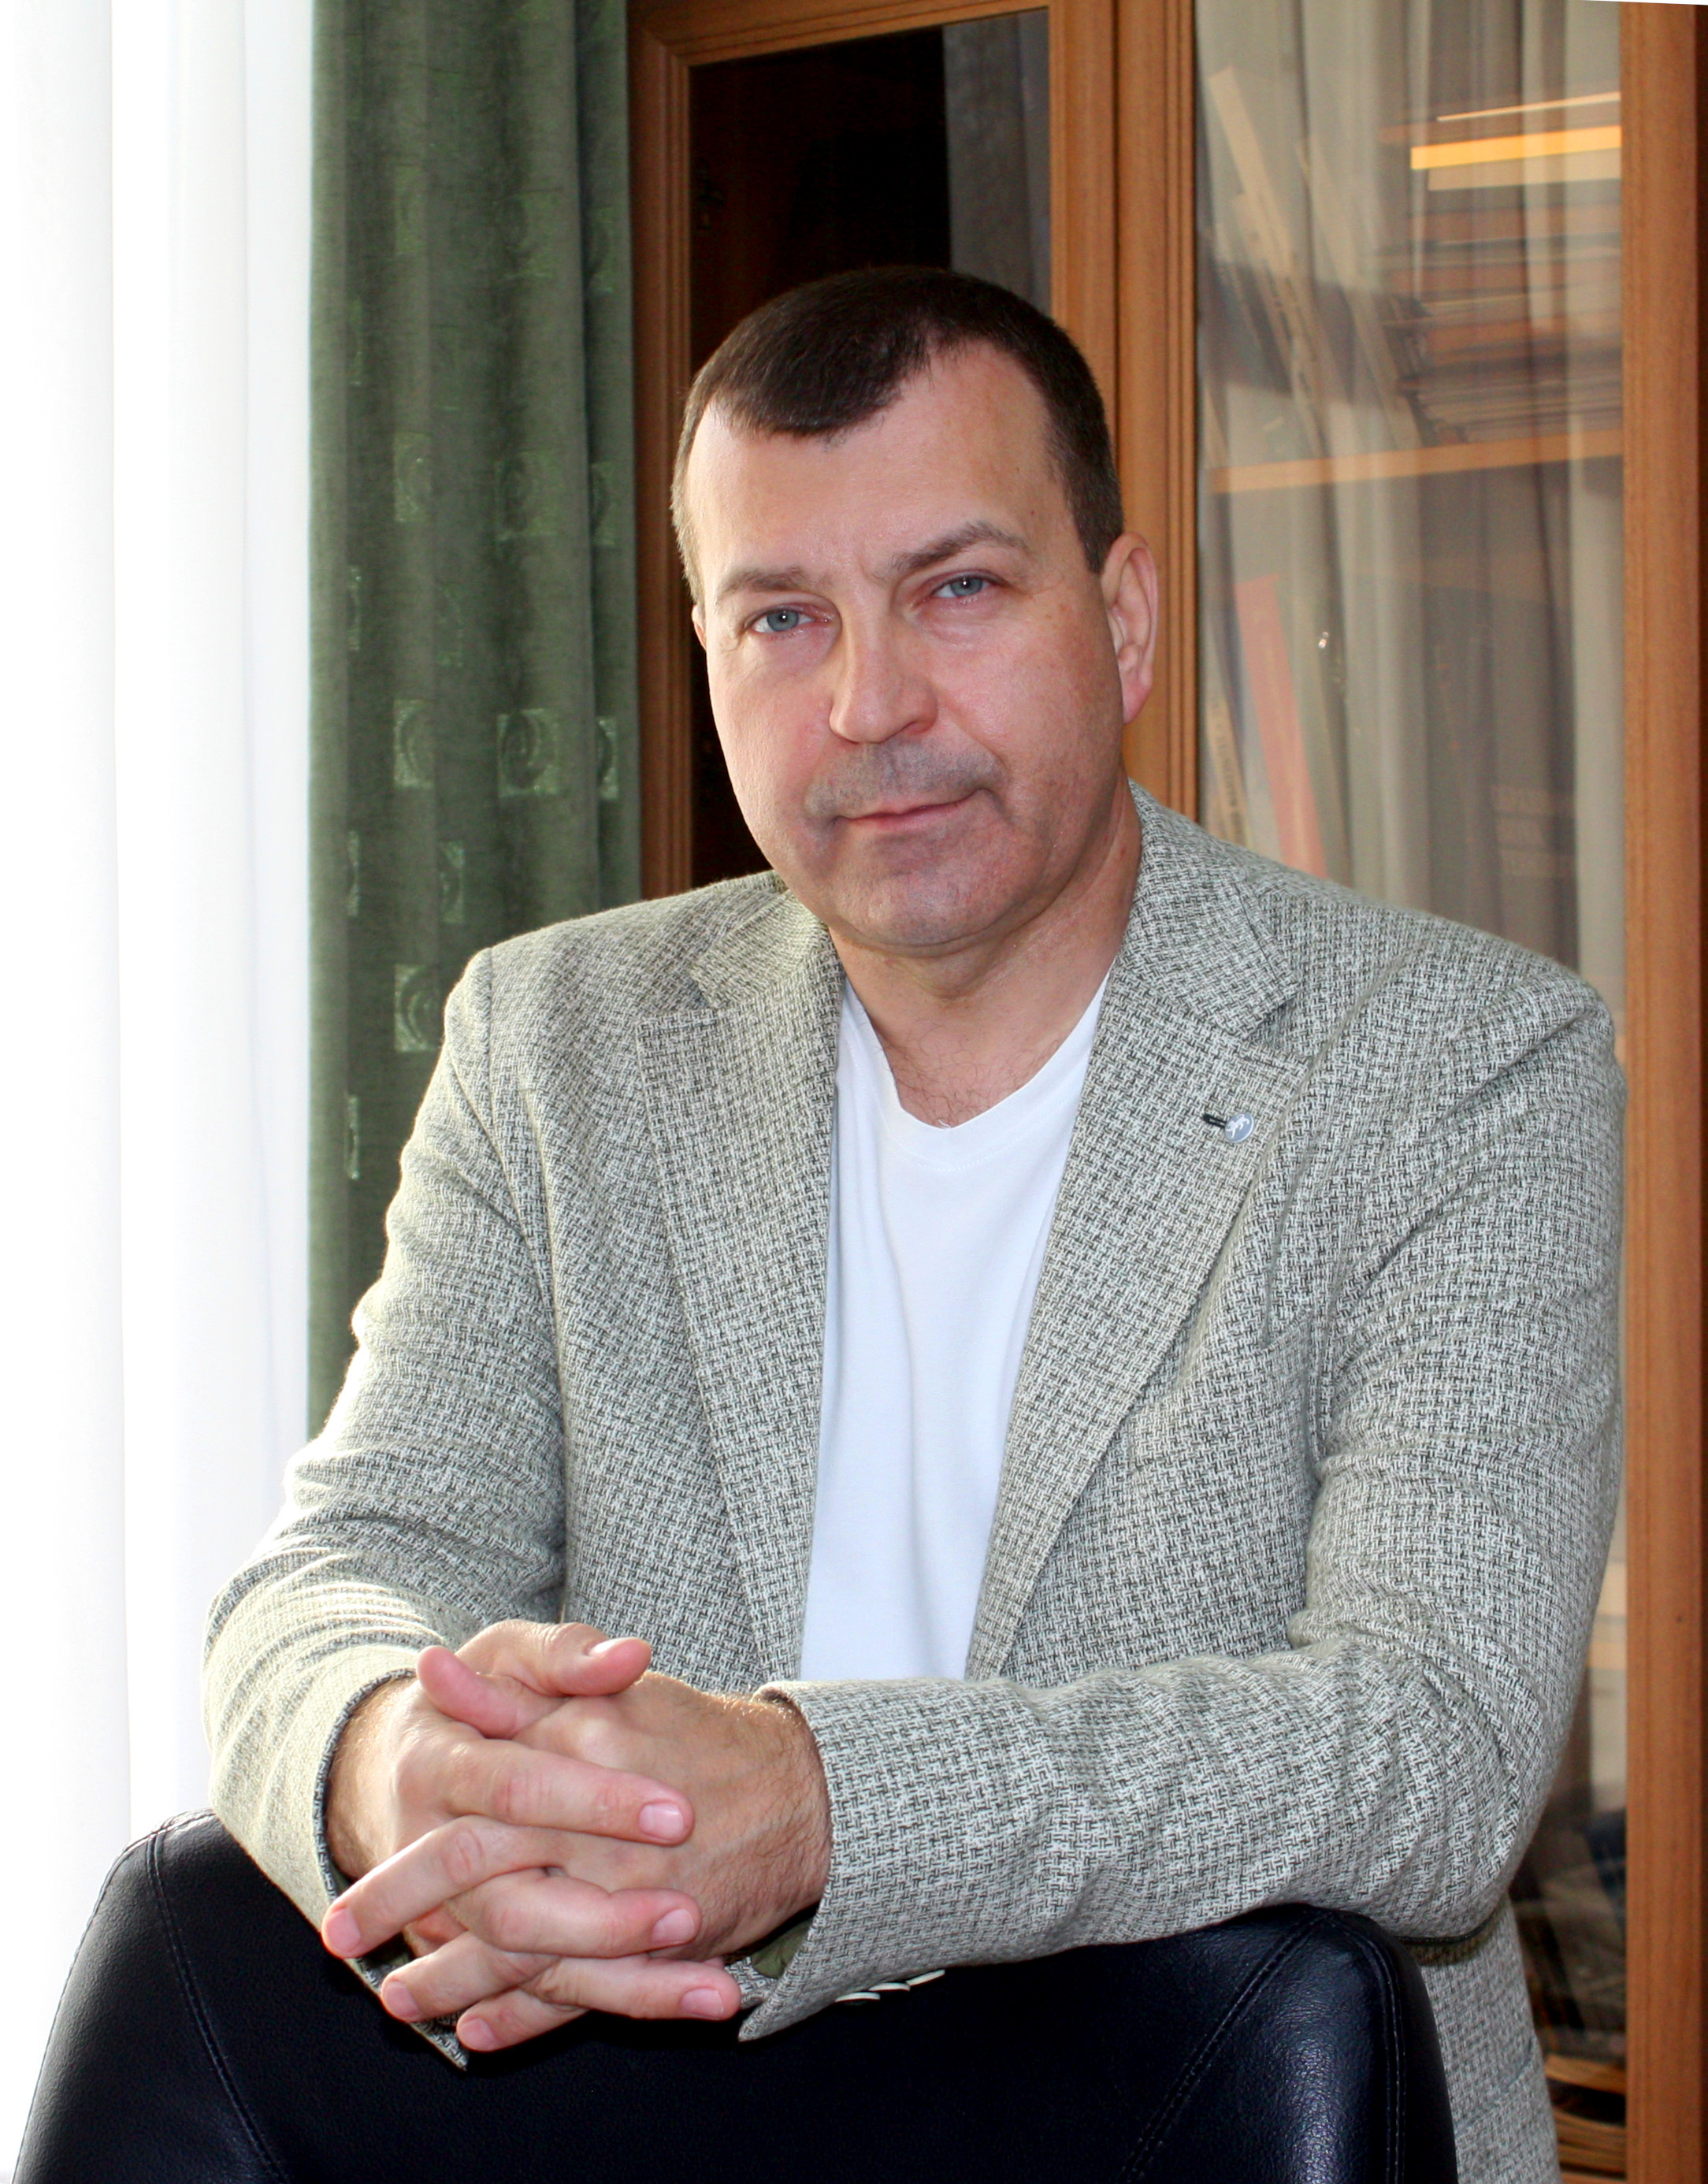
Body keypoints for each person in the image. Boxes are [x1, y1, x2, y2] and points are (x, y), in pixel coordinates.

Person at [49, 270, 1624, 2183]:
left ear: (1123, 620)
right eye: (781, 618)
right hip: (640, 2131)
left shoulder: (1455, 1062)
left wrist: (815, 1800)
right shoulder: (556, 1044)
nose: (870, 705)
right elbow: (333, 1575)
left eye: (956, 588)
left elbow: (1429, 1751)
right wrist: (397, 1755)